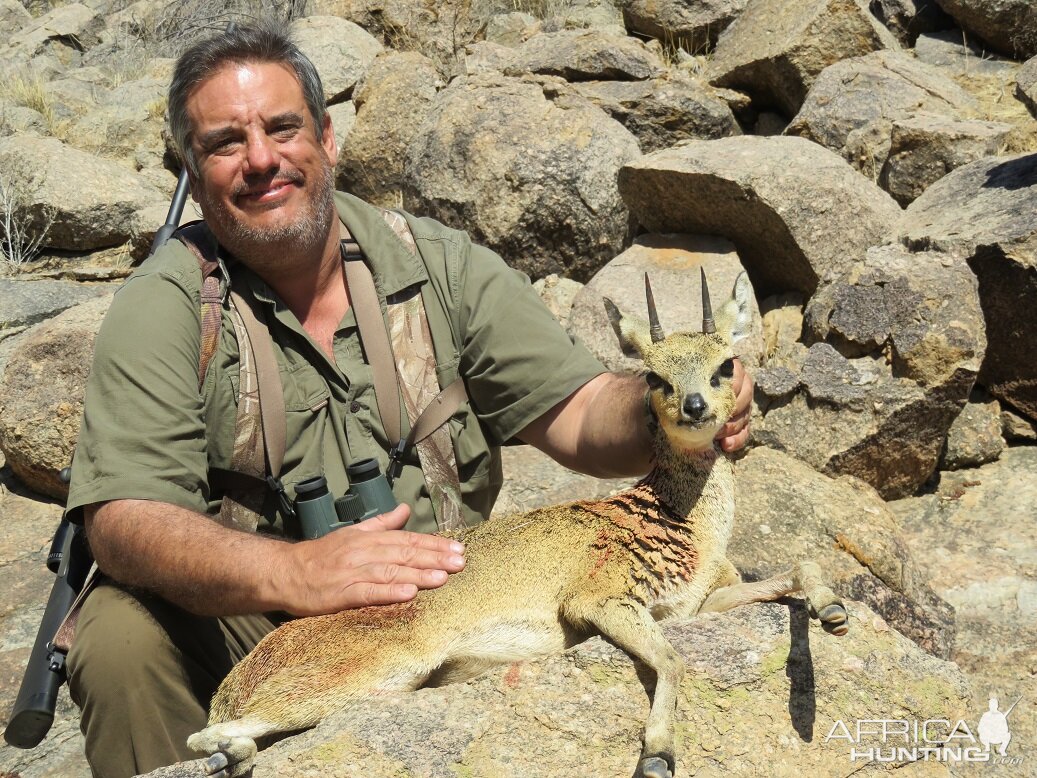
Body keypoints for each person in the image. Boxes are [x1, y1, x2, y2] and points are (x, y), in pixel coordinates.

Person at [62, 24, 752, 778]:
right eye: (226, 142)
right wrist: (293, 572)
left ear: (326, 139)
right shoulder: (164, 307)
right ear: (193, 175)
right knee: (114, 637)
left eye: (283, 128)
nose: (261, 159)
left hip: (440, 602)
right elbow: (123, 523)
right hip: (252, 614)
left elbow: (584, 415)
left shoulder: (439, 266)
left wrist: (676, 399)